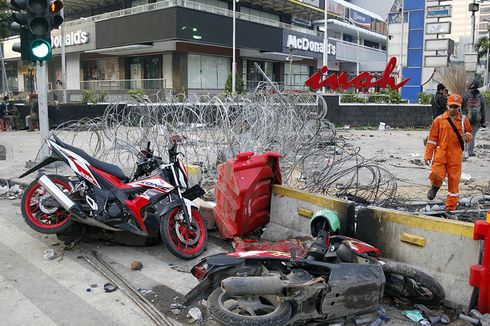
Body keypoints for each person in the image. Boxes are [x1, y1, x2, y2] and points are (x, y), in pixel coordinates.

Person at [424, 94, 473, 212]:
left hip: (455, 156)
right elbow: (431, 140)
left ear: (459, 107)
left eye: (455, 107)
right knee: (436, 174)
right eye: (451, 106)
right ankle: (435, 187)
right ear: (447, 106)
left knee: (454, 182)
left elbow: (470, 132)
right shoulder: (439, 120)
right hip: (441, 154)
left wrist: (467, 137)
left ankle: (451, 207)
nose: (453, 109)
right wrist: (428, 156)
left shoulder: (463, 120)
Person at [462, 80, 486, 157]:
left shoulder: (466, 95)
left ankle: (463, 150)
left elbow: (462, 107)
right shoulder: (481, 96)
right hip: (477, 120)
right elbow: (483, 110)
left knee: (464, 134)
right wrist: (483, 121)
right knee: (472, 135)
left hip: (466, 119)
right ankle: (470, 152)